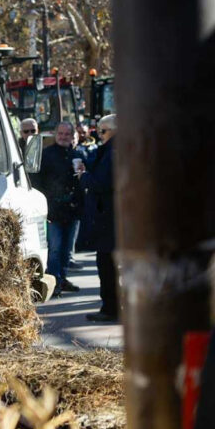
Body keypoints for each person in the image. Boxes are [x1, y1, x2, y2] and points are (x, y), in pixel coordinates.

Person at [33, 122, 84, 296]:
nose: (63, 137)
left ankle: (62, 278)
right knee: (55, 248)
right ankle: (54, 281)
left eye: (66, 134)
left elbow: (81, 183)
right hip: (53, 209)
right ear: (56, 135)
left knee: (66, 249)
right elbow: (37, 181)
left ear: (72, 136)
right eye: (60, 134)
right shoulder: (46, 155)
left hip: (72, 210)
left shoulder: (77, 154)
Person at [82, 114, 118, 322]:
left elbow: (103, 183)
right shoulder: (113, 150)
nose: (99, 134)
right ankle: (112, 306)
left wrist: (84, 178)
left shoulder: (114, 151)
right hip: (112, 218)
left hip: (110, 219)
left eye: (102, 131)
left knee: (107, 265)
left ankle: (111, 308)